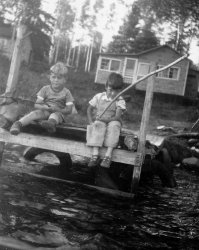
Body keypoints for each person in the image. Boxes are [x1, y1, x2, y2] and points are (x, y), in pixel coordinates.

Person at [10, 62, 74, 135]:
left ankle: (50, 125)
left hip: (58, 114)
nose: (56, 80)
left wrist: (58, 109)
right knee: (34, 113)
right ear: (50, 77)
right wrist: (45, 107)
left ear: (65, 79)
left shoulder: (67, 92)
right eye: (53, 77)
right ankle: (18, 124)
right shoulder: (45, 89)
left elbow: (69, 110)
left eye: (59, 78)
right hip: (45, 111)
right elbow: (37, 104)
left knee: (55, 115)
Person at [86, 72, 126, 168]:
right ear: (106, 86)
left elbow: (117, 117)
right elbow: (89, 109)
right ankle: (95, 154)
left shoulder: (120, 100)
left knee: (114, 125)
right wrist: (91, 122)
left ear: (120, 91)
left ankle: (108, 155)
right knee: (97, 124)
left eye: (116, 91)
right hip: (100, 120)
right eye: (110, 90)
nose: (113, 93)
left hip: (112, 120)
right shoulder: (99, 96)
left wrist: (105, 119)